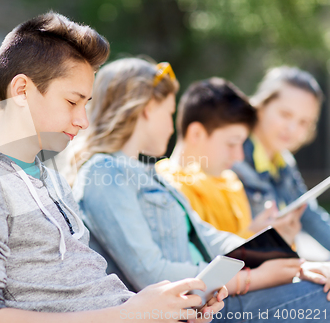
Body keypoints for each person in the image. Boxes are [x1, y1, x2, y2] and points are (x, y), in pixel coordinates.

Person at [0, 13, 224, 323]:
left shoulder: (52, 181)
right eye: (73, 102)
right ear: (21, 91)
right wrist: (133, 314)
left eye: (86, 105)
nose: (83, 120)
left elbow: (86, 292)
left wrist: (166, 311)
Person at [72, 57, 330, 323]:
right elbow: (150, 272)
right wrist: (250, 278)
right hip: (188, 309)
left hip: (208, 302)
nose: (173, 127)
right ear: (148, 109)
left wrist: (285, 261)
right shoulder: (105, 172)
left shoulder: (148, 174)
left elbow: (211, 237)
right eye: (170, 113)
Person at [155, 78, 302, 244]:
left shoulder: (231, 183)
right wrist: (252, 238)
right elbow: (200, 264)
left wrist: (274, 240)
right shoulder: (164, 188)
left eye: (242, 144)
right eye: (232, 143)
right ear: (196, 134)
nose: (239, 156)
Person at [232, 67, 330, 252]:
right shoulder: (233, 158)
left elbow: (308, 215)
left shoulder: (284, 161)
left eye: (304, 122)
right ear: (261, 106)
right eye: (285, 115)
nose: (292, 129)